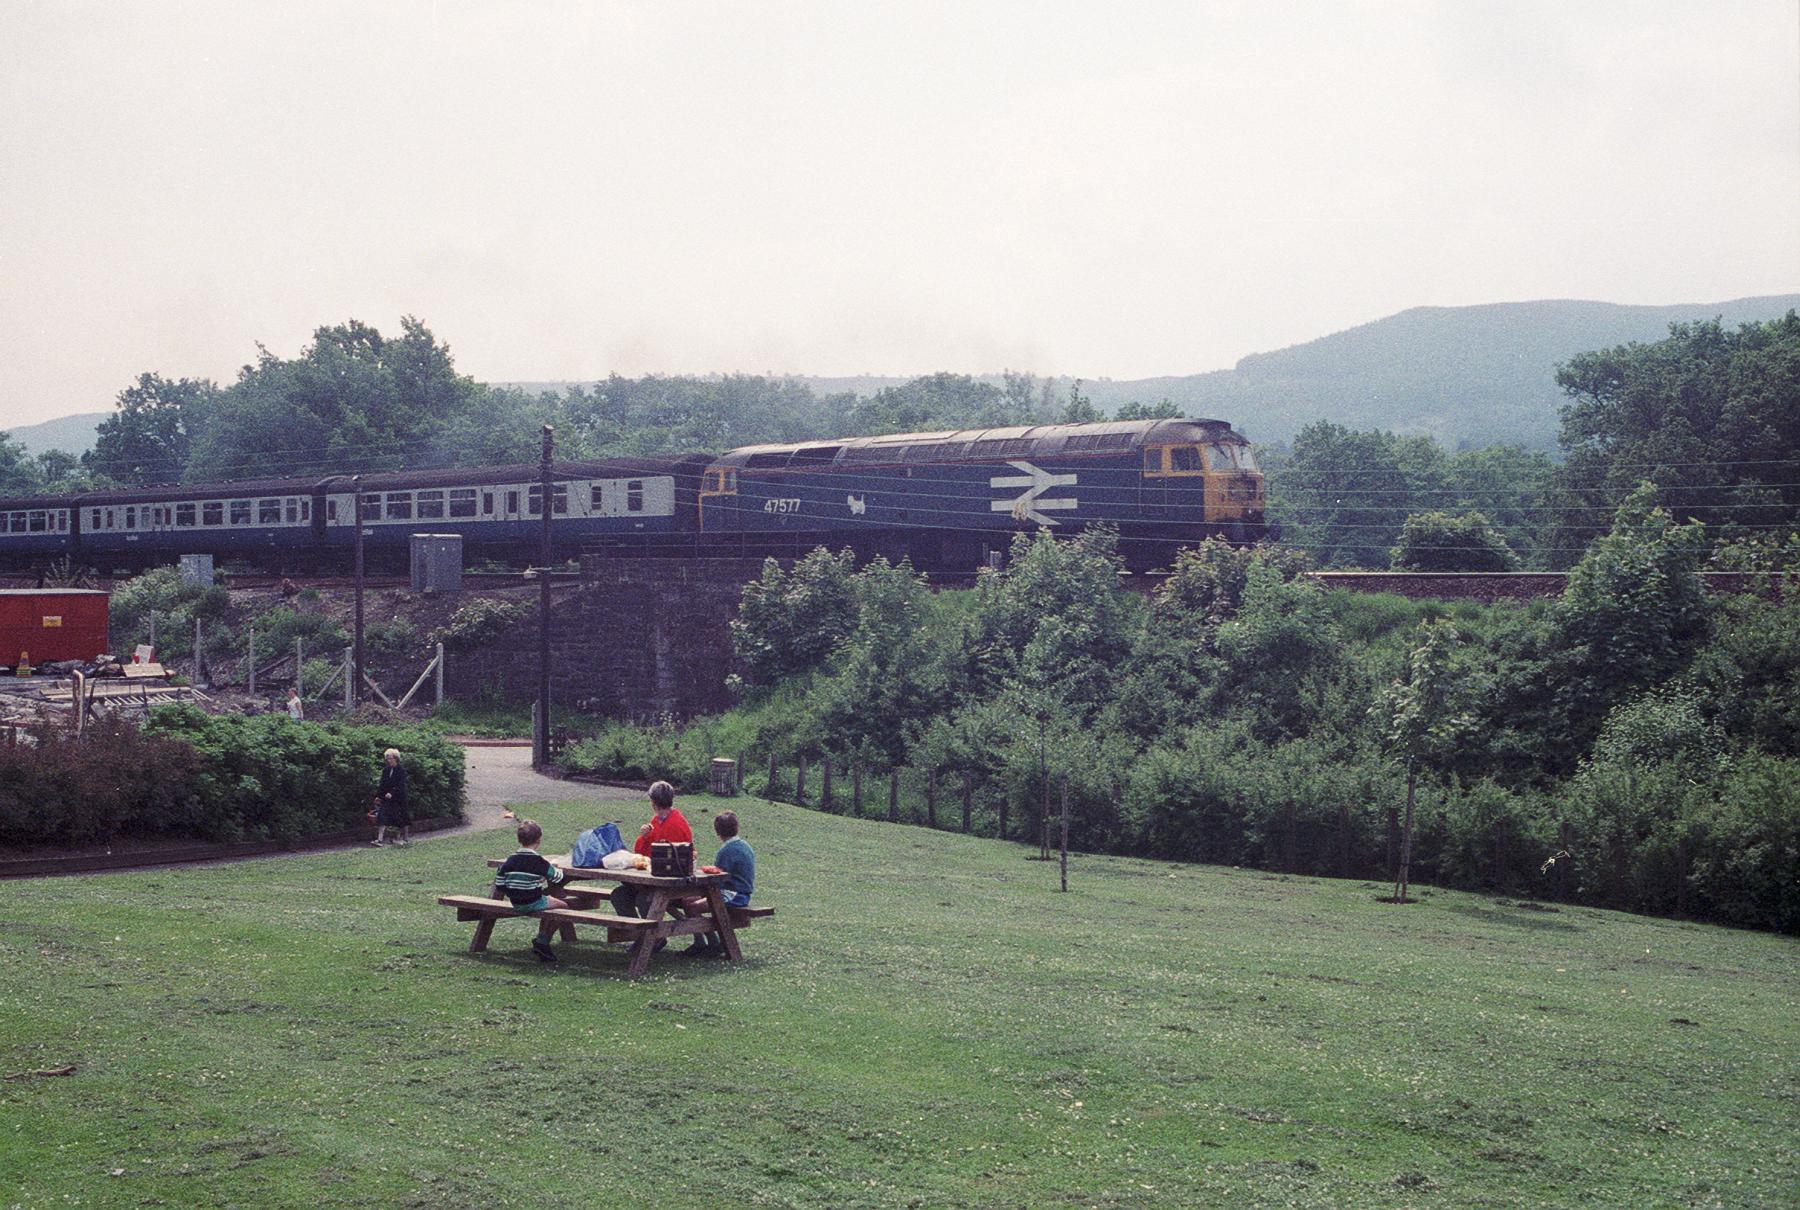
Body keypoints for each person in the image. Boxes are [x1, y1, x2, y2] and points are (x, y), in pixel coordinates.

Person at [609, 780, 691, 920]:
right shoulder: (657, 821)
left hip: (672, 885)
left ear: (653, 802)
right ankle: (638, 936)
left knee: (644, 899)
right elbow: (641, 854)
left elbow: (672, 863)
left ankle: (653, 938)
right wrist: (644, 837)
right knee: (619, 895)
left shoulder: (676, 825)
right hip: (652, 881)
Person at [492, 818, 568, 963]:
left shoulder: (510, 860)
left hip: (516, 902)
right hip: (533, 902)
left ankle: (542, 940)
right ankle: (543, 941)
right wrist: (556, 868)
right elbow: (558, 878)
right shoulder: (539, 862)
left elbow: (500, 885)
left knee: (550, 902)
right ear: (539, 840)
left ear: (519, 840)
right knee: (563, 907)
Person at [686, 809, 754, 957]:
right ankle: (704, 942)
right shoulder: (744, 845)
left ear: (717, 831)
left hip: (735, 894)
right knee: (687, 901)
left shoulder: (727, 850)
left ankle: (711, 942)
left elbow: (718, 880)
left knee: (693, 907)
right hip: (740, 891)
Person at [372, 748, 410, 847]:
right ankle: (379, 839)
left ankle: (405, 838)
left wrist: (392, 793)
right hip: (387, 797)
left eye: (390, 758)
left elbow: (400, 784)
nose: (388, 760)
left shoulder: (401, 770)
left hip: (399, 797)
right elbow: (382, 784)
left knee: (402, 817)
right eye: (387, 758)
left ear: (396, 758)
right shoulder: (386, 770)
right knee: (382, 815)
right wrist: (378, 796)